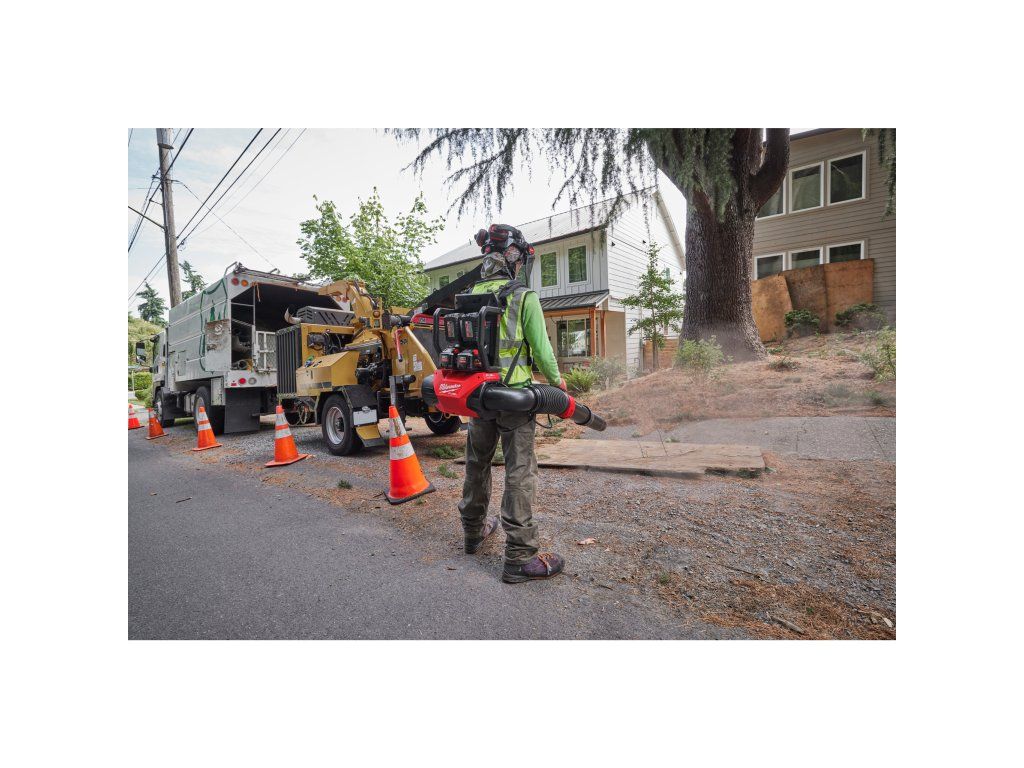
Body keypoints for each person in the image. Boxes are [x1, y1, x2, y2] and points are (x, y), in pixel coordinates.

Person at [459, 226, 567, 584]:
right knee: (519, 470)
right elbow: (542, 351)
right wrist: (557, 383)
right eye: (520, 259)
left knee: (477, 462)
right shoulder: (523, 297)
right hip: (515, 398)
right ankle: (520, 556)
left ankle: (473, 531)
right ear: (514, 258)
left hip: (479, 395)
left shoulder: (470, 294)